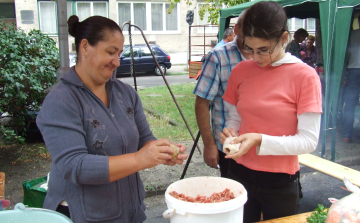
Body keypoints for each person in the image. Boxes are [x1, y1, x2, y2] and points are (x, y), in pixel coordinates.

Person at [36, 15, 188, 223]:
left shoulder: (125, 94)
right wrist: (139, 159)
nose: (117, 62)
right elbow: (75, 166)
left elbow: (144, 138)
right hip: (85, 216)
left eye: (119, 53)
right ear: (85, 47)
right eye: (110, 52)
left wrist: (161, 150)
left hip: (130, 212)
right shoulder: (61, 101)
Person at [219, 2, 322, 222]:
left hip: (280, 182)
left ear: (284, 38)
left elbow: (308, 141)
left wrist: (259, 140)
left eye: (263, 50)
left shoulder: (305, 76)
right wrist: (231, 134)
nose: (255, 58)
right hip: (239, 173)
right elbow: (235, 117)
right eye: (249, 49)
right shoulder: (241, 71)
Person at [193, 11, 251, 178]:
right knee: (233, 194)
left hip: (257, 145)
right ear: (237, 29)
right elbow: (201, 103)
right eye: (249, 32)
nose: (254, 38)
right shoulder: (218, 56)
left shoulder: (264, 57)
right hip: (229, 144)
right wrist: (209, 144)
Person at [342, 15, 360, 143]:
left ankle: (347, 135)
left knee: (350, 104)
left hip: (353, 70)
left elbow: (346, 54)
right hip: (354, 70)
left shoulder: (352, 35)